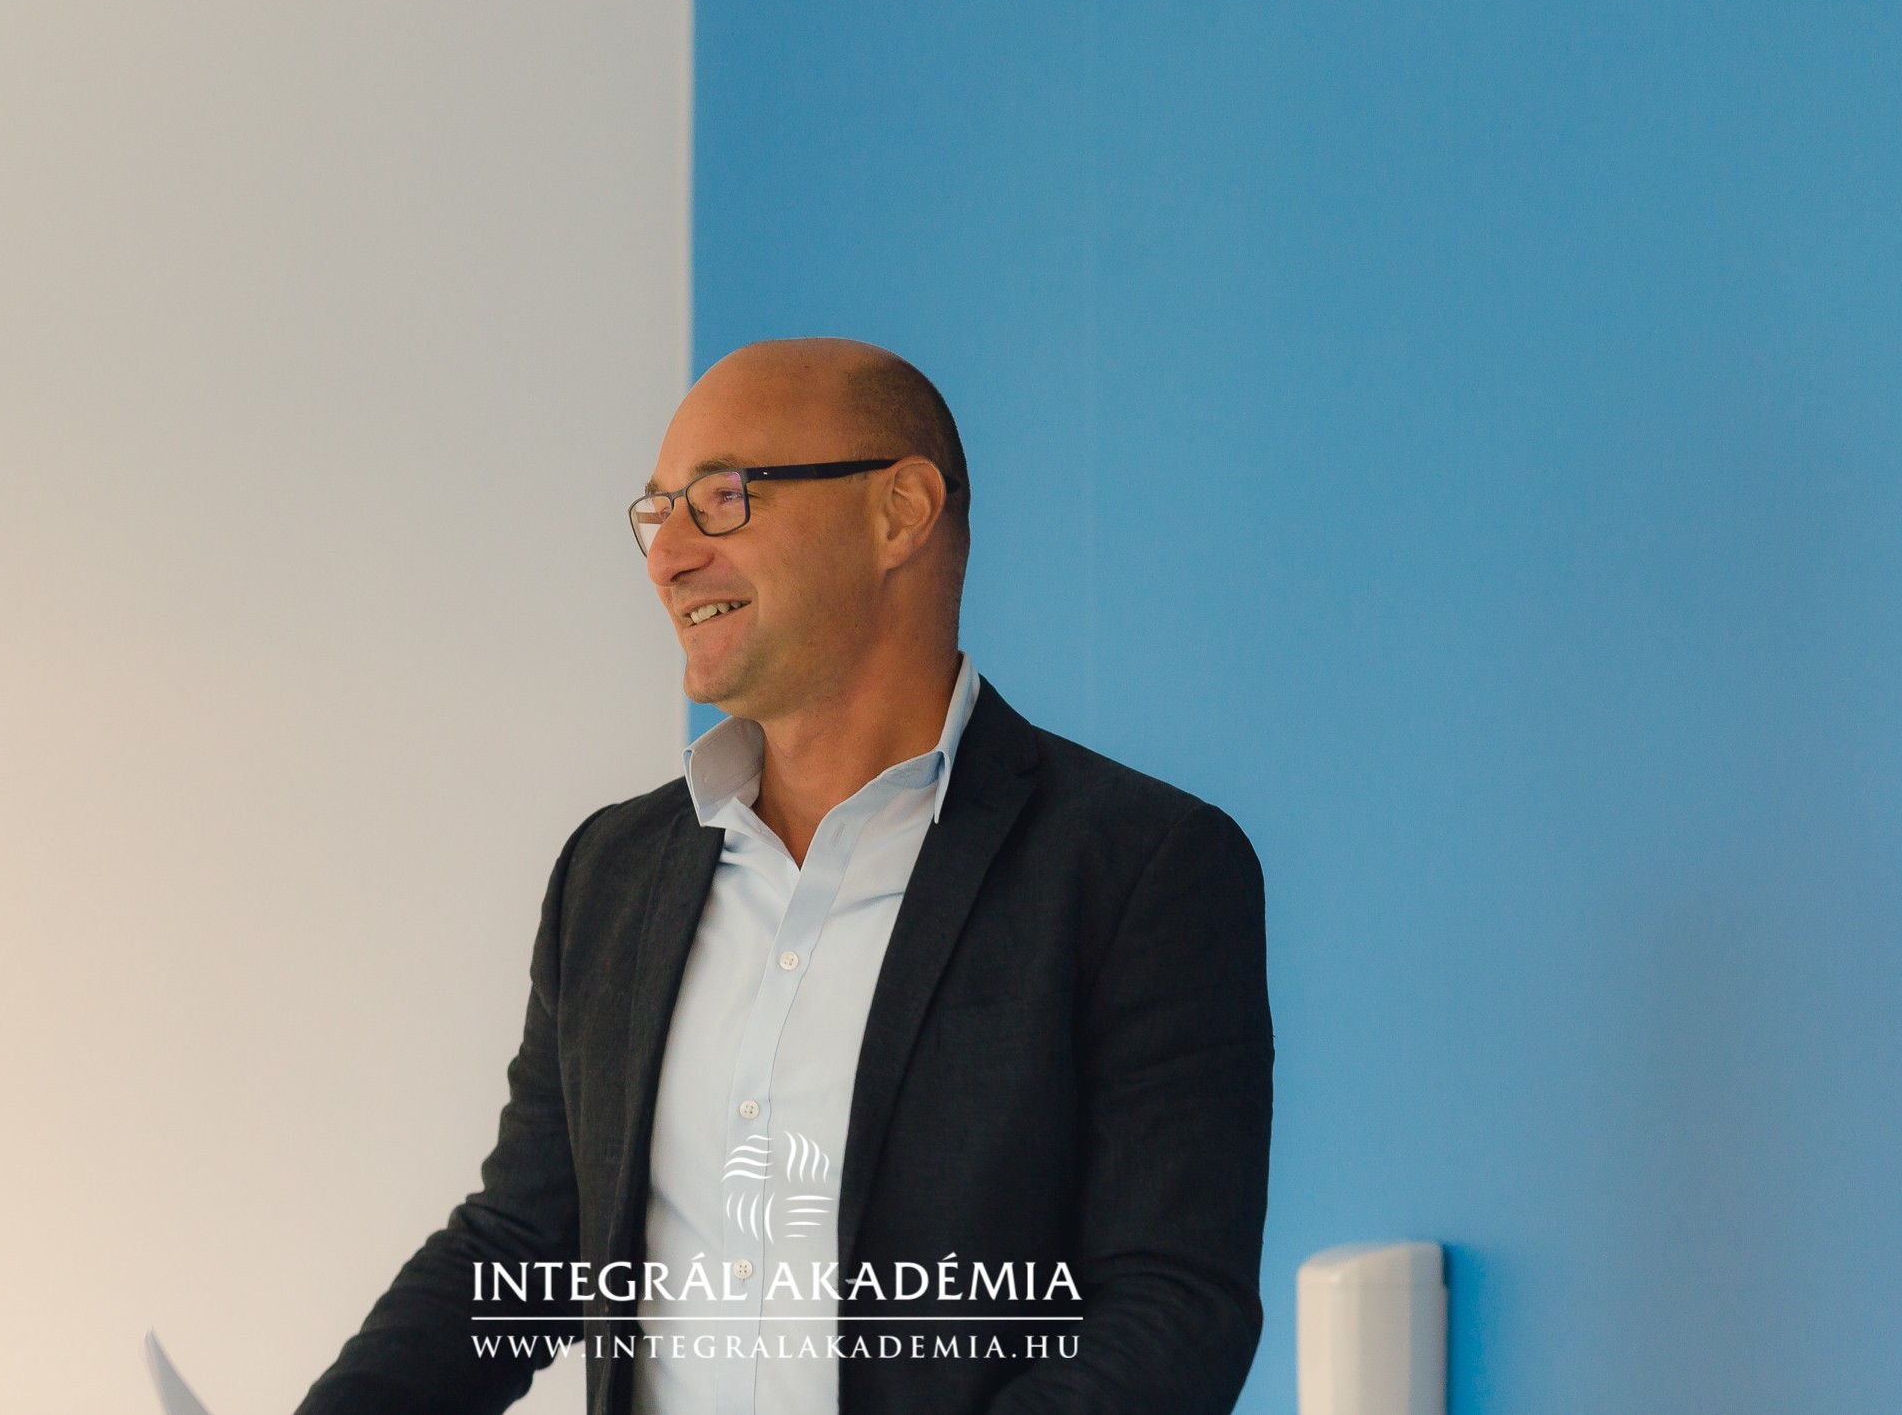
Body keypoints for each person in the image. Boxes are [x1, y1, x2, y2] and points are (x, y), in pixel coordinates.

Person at [295, 339, 1272, 1415]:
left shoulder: (1140, 869)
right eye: (657, 512)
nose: (667, 557)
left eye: (722, 497)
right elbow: (522, 1244)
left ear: (900, 511)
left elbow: (1173, 1307)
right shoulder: (610, 873)